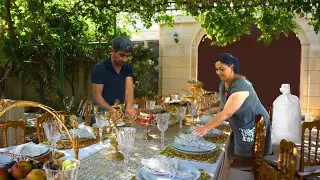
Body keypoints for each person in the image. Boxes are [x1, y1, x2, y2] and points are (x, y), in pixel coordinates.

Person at [193, 53, 272, 158]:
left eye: (222, 69)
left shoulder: (241, 85)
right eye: (216, 69)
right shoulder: (223, 84)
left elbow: (226, 113)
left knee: (249, 156)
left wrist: (205, 128)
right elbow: (222, 107)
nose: (218, 72)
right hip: (241, 121)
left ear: (231, 67)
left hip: (253, 121)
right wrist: (214, 123)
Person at [91, 36, 136, 121]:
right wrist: (111, 110)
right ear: (112, 51)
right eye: (122, 55)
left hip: (119, 113)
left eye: (127, 56)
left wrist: (129, 108)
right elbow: (96, 96)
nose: (124, 59)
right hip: (100, 114)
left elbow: (129, 89)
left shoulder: (127, 67)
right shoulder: (100, 68)